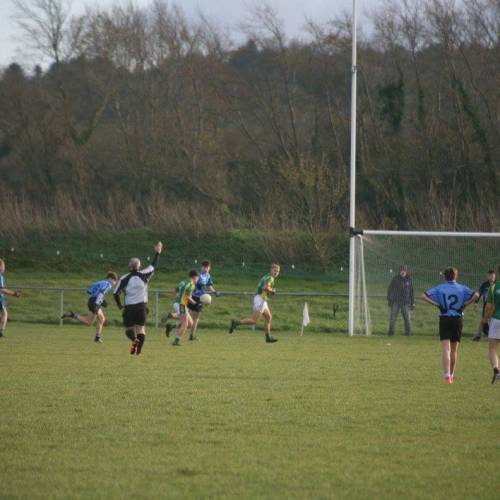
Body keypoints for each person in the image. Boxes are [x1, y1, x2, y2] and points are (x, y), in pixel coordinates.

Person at [420, 267, 477, 384]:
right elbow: (476, 295)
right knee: (454, 350)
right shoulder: (462, 288)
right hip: (457, 319)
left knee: (446, 349)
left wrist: (437, 304)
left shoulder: (440, 288)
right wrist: (465, 304)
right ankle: (451, 375)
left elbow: (423, 296)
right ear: (456, 276)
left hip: (444, 318)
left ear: (445, 277)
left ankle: (446, 377)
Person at [113, 241, 163, 355]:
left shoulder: (124, 278)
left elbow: (116, 293)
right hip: (142, 306)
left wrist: (119, 305)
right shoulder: (144, 274)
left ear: (129, 266)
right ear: (139, 266)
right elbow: (153, 265)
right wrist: (158, 253)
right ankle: (138, 351)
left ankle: (134, 340)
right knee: (141, 329)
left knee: (128, 330)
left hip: (130, 307)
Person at [229, 264, 280, 343]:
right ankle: (236, 323)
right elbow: (265, 287)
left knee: (269, 317)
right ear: (271, 270)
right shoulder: (270, 278)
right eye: (275, 270)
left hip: (262, 299)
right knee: (254, 321)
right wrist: (272, 291)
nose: (276, 272)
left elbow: (265, 287)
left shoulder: (267, 276)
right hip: (260, 299)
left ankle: (268, 337)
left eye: (277, 271)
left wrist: (270, 290)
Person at [61, 272, 118, 342]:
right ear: (110, 279)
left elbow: (89, 291)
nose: (114, 283)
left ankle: (72, 314)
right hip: (96, 302)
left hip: (91, 300)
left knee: (89, 322)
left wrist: (98, 300)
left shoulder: (99, 282)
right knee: (101, 319)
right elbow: (101, 292)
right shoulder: (108, 284)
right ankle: (97, 337)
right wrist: (99, 302)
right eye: (114, 281)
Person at [187, 260, 219, 341]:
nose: (205, 269)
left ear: (209, 268)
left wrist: (214, 292)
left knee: (195, 318)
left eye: (207, 267)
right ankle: (191, 336)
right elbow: (197, 285)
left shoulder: (208, 276)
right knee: (190, 318)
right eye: (204, 267)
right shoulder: (198, 275)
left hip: (200, 299)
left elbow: (208, 286)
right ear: (201, 267)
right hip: (193, 297)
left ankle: (191, 336)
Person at [171, 270, 199, 346]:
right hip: (181, 304)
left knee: (190, 323)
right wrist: (196, 304)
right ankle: (176, 341)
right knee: (185, 324)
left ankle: (171, 317)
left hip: (179, 303)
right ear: (195, 277)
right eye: (197, 278)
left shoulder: (184, 281)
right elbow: (188, 296)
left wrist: (177, 296)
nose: (197, 280)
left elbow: (176, 289)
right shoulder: (191, 284)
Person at [387, 265, 415, 336]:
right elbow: (390, 290)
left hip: (405, 302)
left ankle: (408, 333)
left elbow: (412, 291)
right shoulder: (395, 279)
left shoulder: (409, 279)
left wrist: (413, 302)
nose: (403, 272)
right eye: (401, 270)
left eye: (404, 270)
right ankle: (391, 332)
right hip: (396, 302)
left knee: (407, 319)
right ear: (400, 271)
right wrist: (390, 300)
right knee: (393, 318)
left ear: (406, 271)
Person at [0, 258, 22, 338]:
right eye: (3, 266)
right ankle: (1, 331)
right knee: (4, 313)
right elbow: (1, 289)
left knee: (3, 313)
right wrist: (14, 293)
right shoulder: (0, 275)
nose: (4, 268)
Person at [472, 270, 496, 341]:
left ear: (495, 276)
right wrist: (476, 302)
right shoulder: (484, 285)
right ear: (487, 276)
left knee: (494, 320)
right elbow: (479, 293)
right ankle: (478, 336)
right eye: (490, 276)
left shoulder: (497, 284)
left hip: (496, 305)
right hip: (487, 305)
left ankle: (494, 336)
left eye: (493, 276)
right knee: (483, 320)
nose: (491, 277)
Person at [485, 277, 500, 384]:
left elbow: (489, 306)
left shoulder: (493, 287)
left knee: (492, 349)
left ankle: (496, 369)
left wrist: (487, 318)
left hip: (496, 320)